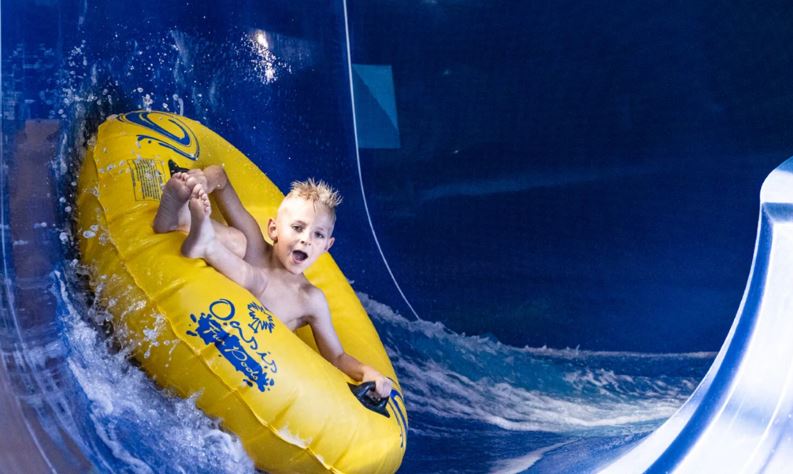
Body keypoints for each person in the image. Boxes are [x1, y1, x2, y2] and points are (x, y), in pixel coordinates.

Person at [153, 165, 393, 400]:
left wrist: (367, 373)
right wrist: (205, 181)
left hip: (242, 361)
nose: (306, 240)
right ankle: (179, 217)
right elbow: (222, 177)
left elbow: (337, 356)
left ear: (327, 246)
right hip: (203, 316)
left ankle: (204, 242)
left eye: (318, 235)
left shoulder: (309, 299)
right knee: (239, 241)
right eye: (298, 228)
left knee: (257, 280)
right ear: (274, 229)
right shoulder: (256, 245)